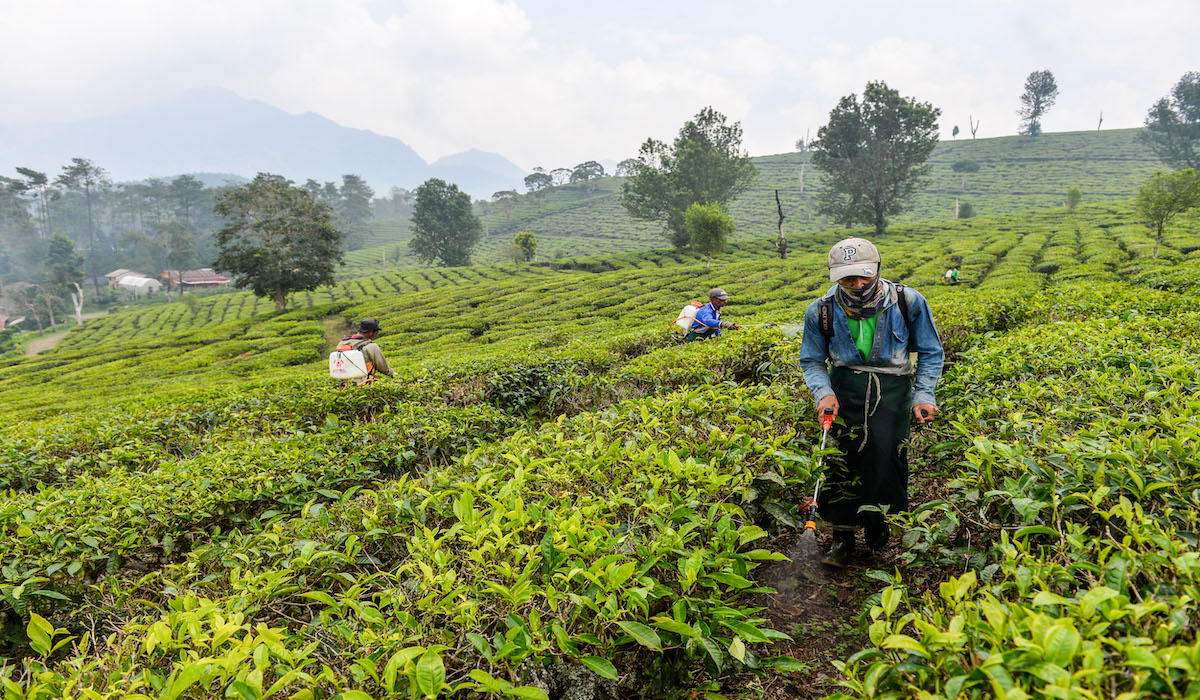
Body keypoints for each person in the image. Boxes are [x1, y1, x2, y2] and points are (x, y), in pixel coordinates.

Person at [799, 238, 945, 568]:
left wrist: (924, 395)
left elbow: (931, 352)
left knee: (886, 459)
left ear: (877, 270)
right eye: (849, 279)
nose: (858, 285)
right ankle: (842, 536)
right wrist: (824, 392)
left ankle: (879, 527)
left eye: (864, 277)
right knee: (840, 461)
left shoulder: (908, 301)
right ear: (836, 277)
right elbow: (811, 360)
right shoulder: (821, 310)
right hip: (844, 389)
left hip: (892, 392)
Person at [338, 318, 394, 384]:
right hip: (363, 383)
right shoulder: (371, 346)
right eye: (376, 331)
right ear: (370, 332)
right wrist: (396, 375)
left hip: (345, 383)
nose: (377, 333)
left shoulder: (343, 343)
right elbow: (383, 368)